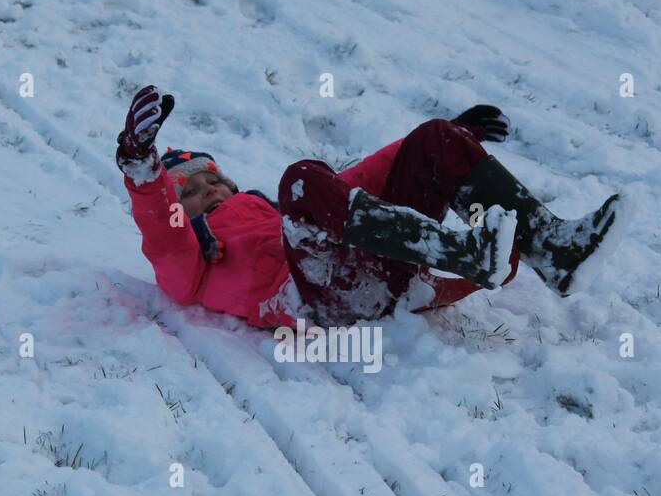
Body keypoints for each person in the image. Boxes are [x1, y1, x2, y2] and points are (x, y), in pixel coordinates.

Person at [116, 85, 628, 330]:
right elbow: (162, 234)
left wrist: (448, 146)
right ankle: (461, 252)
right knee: (300, 180)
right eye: (191, 191)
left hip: (384, 273)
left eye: (212, 180)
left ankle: (555, 250)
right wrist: (144, 168)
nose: (208, 191)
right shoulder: (192, 262)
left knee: (431, 139)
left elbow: (356, 184)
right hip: (326, 297)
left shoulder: (276, 217)